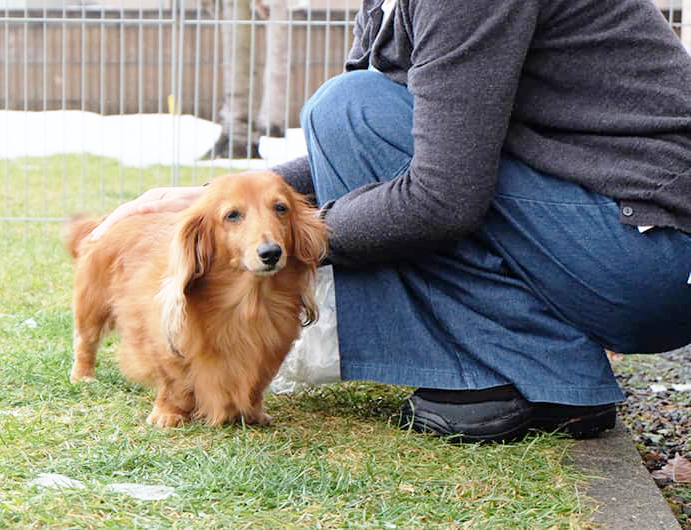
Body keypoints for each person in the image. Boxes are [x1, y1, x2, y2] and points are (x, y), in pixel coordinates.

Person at [89, 0, 691, 442]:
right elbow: (395, 142)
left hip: (653, 247)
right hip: (620, 234)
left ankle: (510, 376)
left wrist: (287, 243)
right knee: (350, 111)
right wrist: (212, 200)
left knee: (348, 108)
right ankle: (550, 380)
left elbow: (440, 194)